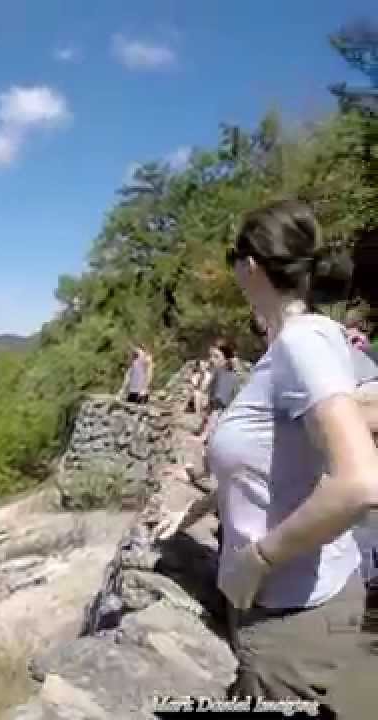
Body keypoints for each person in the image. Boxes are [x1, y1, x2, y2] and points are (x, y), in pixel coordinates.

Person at [154, 199, 378, 713]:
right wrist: (196, 509)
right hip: (279, 607)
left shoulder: (304, 343)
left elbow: (361, 482)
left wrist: (258, 560)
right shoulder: (292, 347)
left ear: (249, 265)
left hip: (293, 617)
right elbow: (274, 465)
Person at [196, 340, 239, 440]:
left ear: (226, 359)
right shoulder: (220, 372)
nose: (211, 359)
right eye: (210, 356)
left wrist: (205, 435)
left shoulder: (226, 375)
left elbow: (218, 408)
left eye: (216, 356)